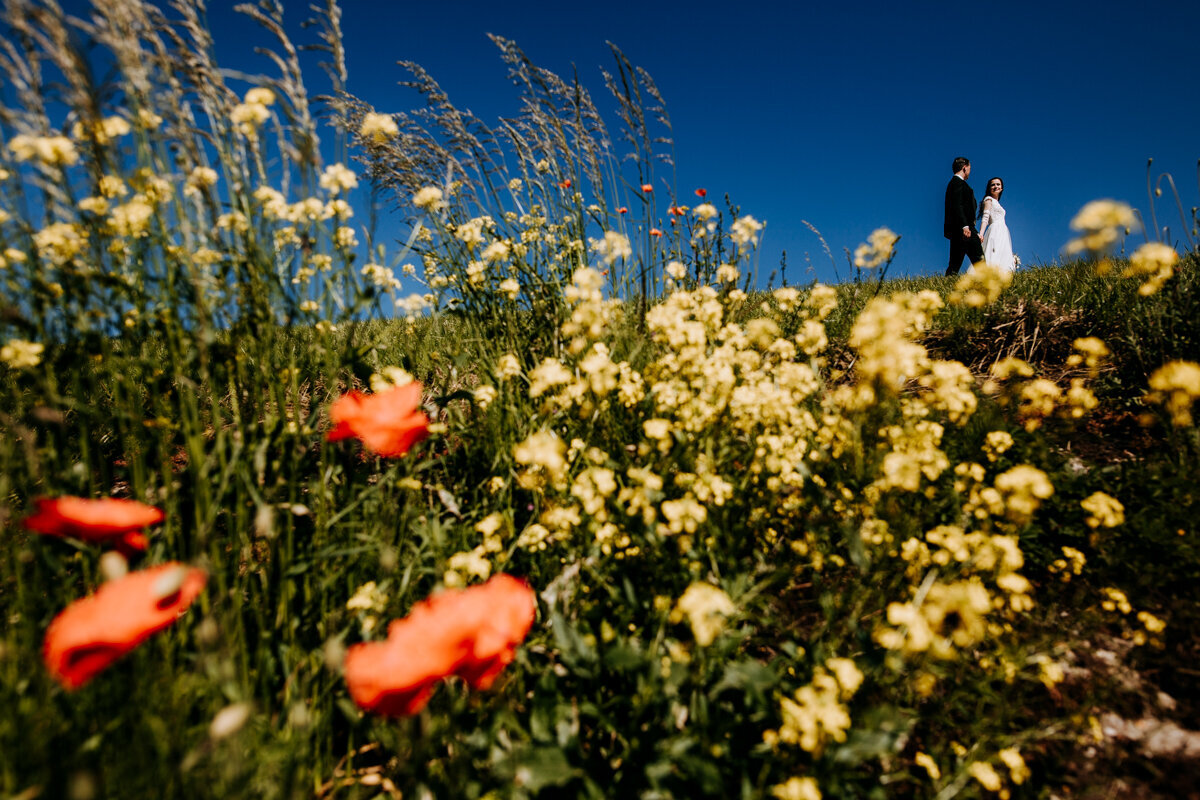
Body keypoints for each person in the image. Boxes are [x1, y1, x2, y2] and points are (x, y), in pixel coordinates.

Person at [944, 157, 983, 276]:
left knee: (954, 264)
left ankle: (947, 283)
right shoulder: (957, 183)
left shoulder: (954, 183)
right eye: (970, 168)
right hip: (964, 228)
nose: (970, 172)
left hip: (960, 230)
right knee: (979, 259)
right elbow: (957, 205)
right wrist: (965, 226)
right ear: (964, 168)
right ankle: (988, 285)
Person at [976, 176, 1015, 273]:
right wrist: (981, 233)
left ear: (1001, 188)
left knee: (1002, 253)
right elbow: (985, 217)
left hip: (1003, 231)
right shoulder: (989, 200)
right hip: (995, 230)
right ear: (989, 188)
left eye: (998, 184)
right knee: (994, 252)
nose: (995, 186)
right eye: (992, 185)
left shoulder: (997, 202)